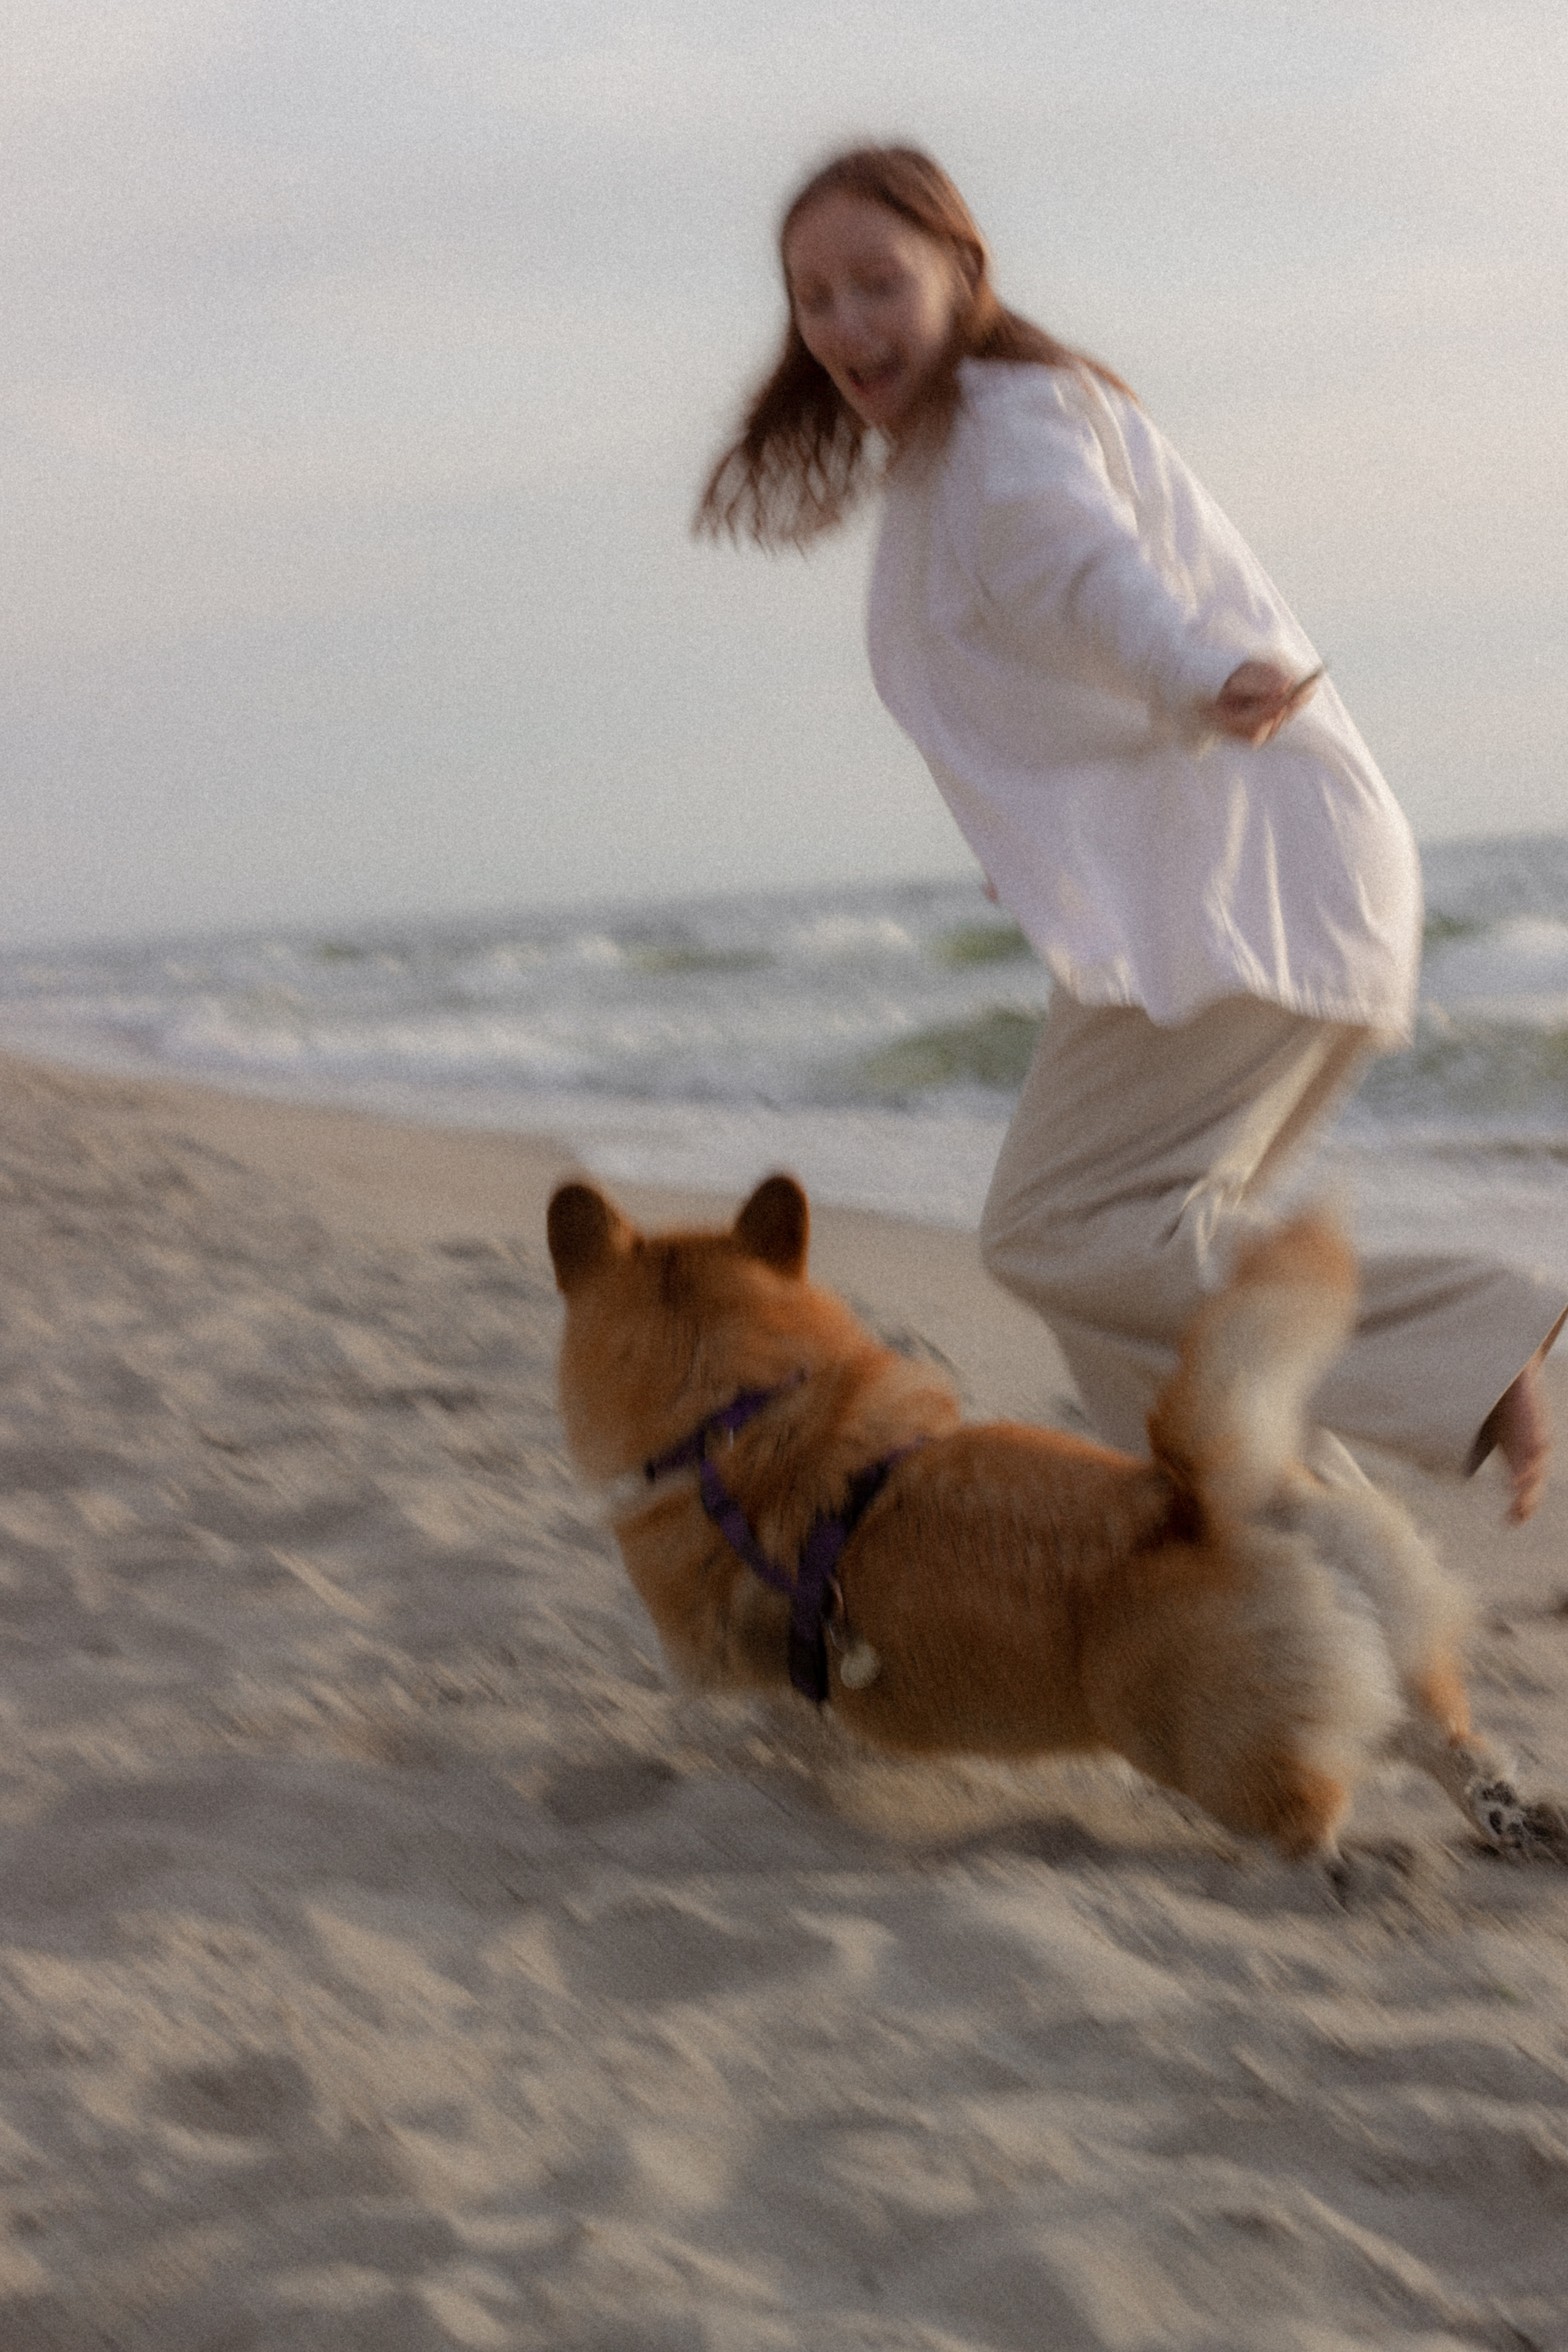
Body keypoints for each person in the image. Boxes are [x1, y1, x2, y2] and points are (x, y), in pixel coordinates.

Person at [696, 144, 1564, 1520]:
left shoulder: (1008, 428)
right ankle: (1296, 1577)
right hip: (1227, 882)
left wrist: (1186, 674)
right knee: (1128, 1289)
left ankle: (1471, 1329)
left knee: (1054, 1233)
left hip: (1245, 881)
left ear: (961, 275)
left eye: (879, 283)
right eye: (814, 297)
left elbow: (1092, 571)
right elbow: (1030, 680)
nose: (847, 324)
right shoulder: (949, 449)